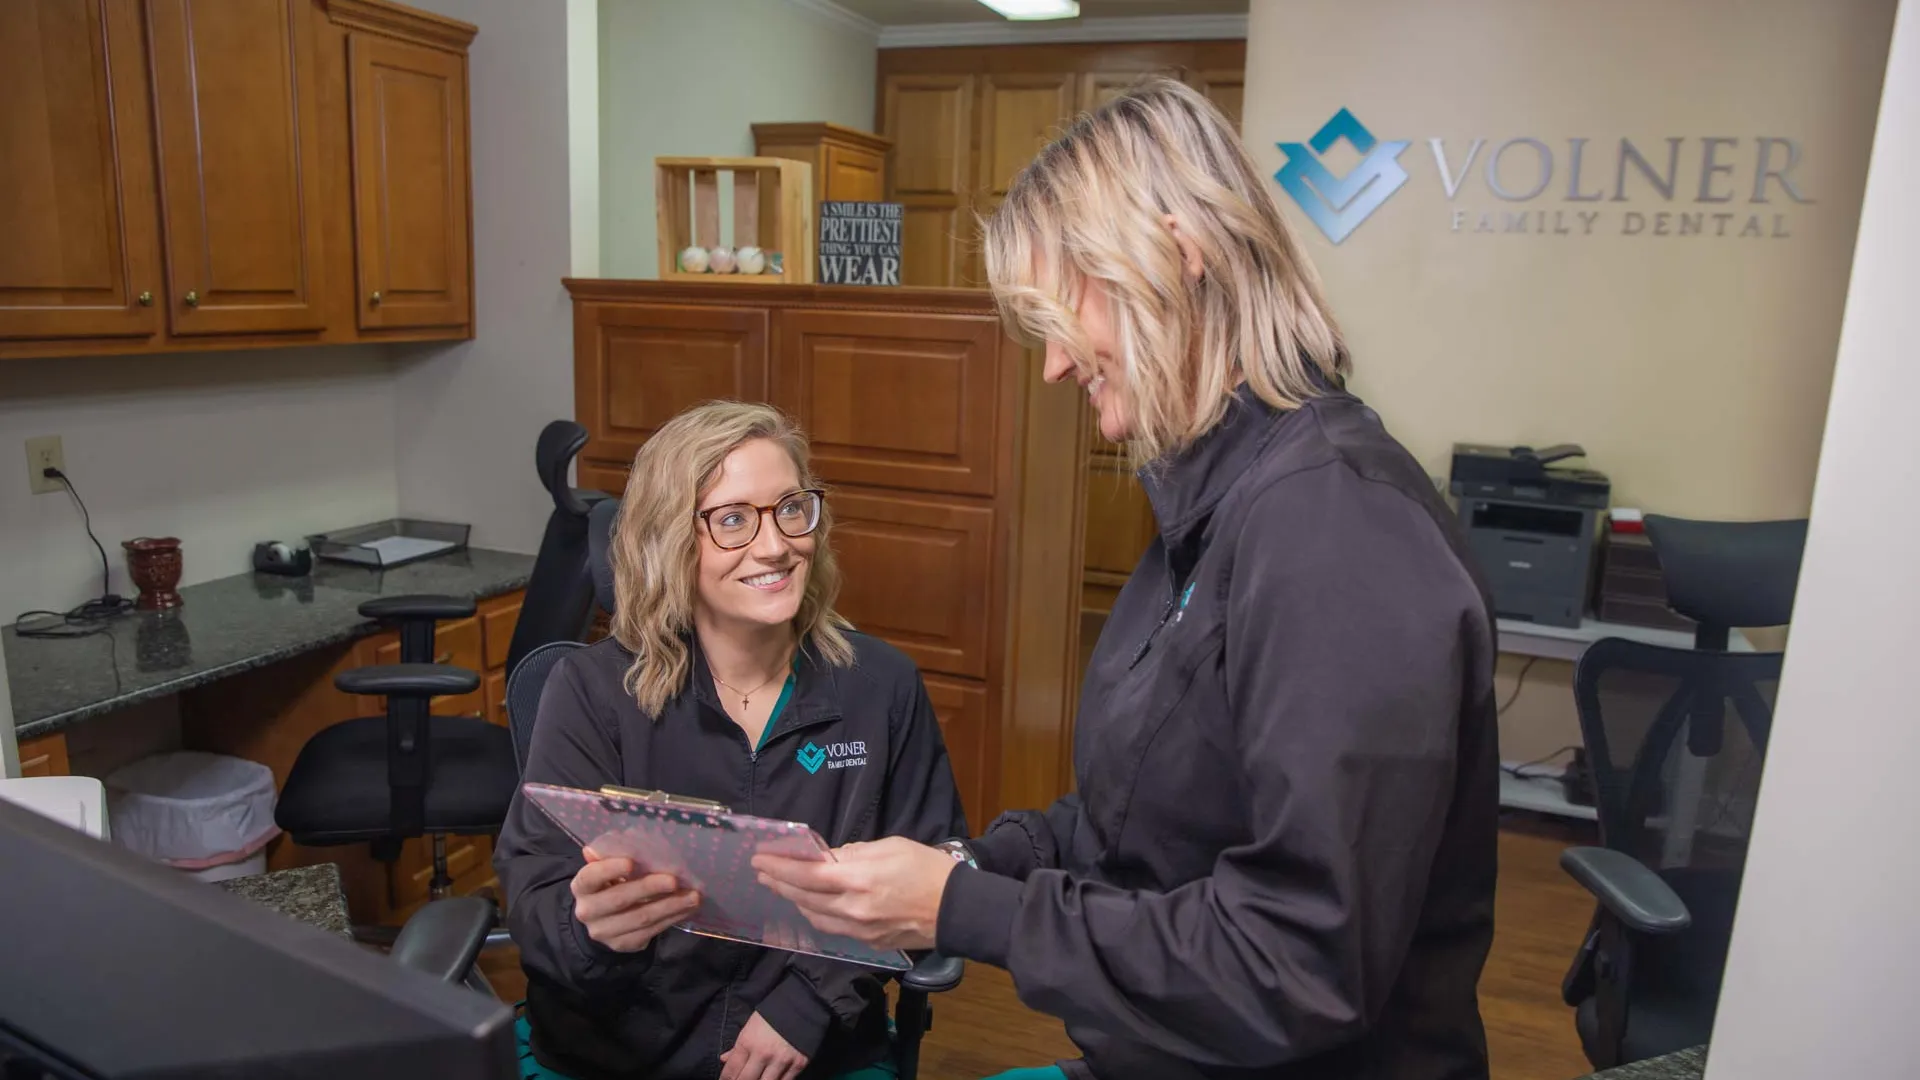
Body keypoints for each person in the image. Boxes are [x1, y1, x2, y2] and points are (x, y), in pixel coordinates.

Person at [753, 77, 1501, 1080]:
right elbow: (1133, 819)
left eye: (1066, 310)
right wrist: (960, 869)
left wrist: (961, 909)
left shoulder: (1336, 526)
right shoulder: (1211, 506)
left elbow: (1296, 962)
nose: (1056, 367)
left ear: (1179, 250)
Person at [495, 401, 969, 1080]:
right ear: (669, 540)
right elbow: (536, 893)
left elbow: (930, 877)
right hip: (615, 1053)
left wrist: (808, 1005)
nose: (775, 546)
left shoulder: (880, 688)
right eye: (733, 519)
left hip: (817, 1050)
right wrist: (590, 929)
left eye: (790, 509)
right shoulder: (592, 691)